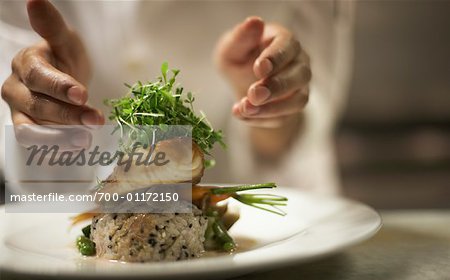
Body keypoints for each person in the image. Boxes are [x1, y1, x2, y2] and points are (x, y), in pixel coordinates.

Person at [0, 0, 354, 195]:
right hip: (59, 239)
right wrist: (48, 107)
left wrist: (271, 101)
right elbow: (18, 123)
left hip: (259, 248)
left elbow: (305, 127)